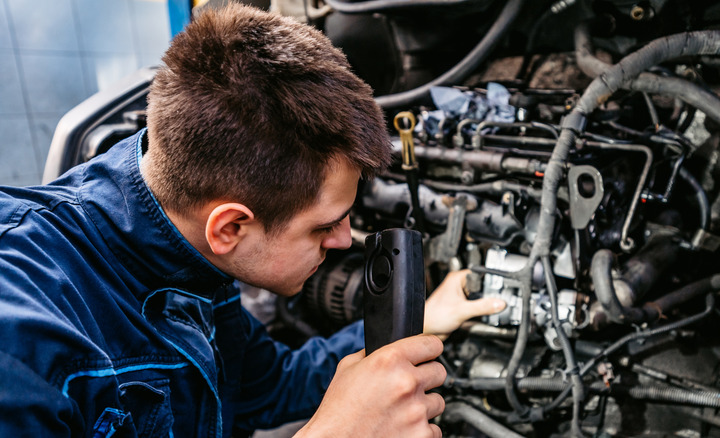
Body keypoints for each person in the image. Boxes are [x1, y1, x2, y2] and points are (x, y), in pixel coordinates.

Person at [0, 3, 506, 437]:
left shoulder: (189, 250)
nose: (345, 239)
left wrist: (419, 321)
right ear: (229, 228)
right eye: (324, 225)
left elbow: (269, 386)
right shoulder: (24, 346)